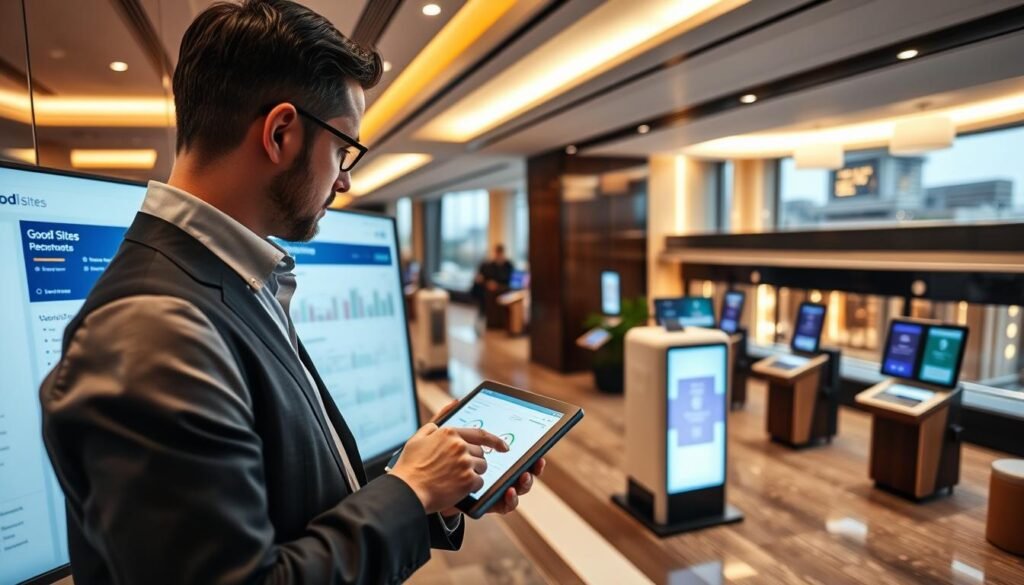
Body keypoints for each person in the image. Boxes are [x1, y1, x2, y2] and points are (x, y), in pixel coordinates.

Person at [38, 1, 542, 583]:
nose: (346, 180)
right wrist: (408, 491)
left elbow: (288, 505)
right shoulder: (153, 328)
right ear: (280, 133)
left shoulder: (226, 276)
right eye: (343, 150)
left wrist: (429, 489)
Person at [471, 244, 514, 326]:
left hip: (503, 290)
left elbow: (510, 280)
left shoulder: (508, 265)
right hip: (488, 292)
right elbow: (480, 278)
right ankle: (488, 320)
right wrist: (487, 283)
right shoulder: (487, 265)